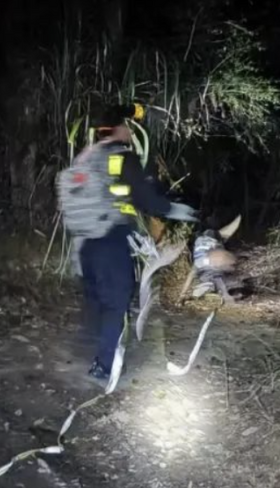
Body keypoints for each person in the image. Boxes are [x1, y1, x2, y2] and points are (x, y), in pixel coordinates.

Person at [70, 104, 196, 381]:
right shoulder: (122, 157)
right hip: (111, 240)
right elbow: (146, 199)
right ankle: (104, 366)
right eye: (127, 126)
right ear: (118, 128)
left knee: (96, 299)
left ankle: (94, 348)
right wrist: (175, 210)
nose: (130, 131)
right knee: (117, 300)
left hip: (84, 243)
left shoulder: (84, 158)